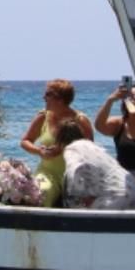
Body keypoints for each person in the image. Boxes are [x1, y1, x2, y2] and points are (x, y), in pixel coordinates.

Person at [21, 79, 93, 207]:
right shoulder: (42, 117)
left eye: (48, 94)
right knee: (41, 193)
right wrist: (39, 151)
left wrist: (63, 150)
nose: (44, 97)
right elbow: (25, 141)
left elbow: (91, 153)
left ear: (60, 99)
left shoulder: (80, 120)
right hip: (47, 172)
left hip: (74, 174)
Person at [60, 117, 135, 210]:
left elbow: (73, 172)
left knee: (82, 212)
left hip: (119, 198)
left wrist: (78, 196)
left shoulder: (71, 149)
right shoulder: (94, 147)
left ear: (60, 141)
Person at [95, 80, 135, 173]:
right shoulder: (119, 124)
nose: (134, 100)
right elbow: (99, 126)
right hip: (125, 178)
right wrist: (110, 100)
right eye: (130, 97)